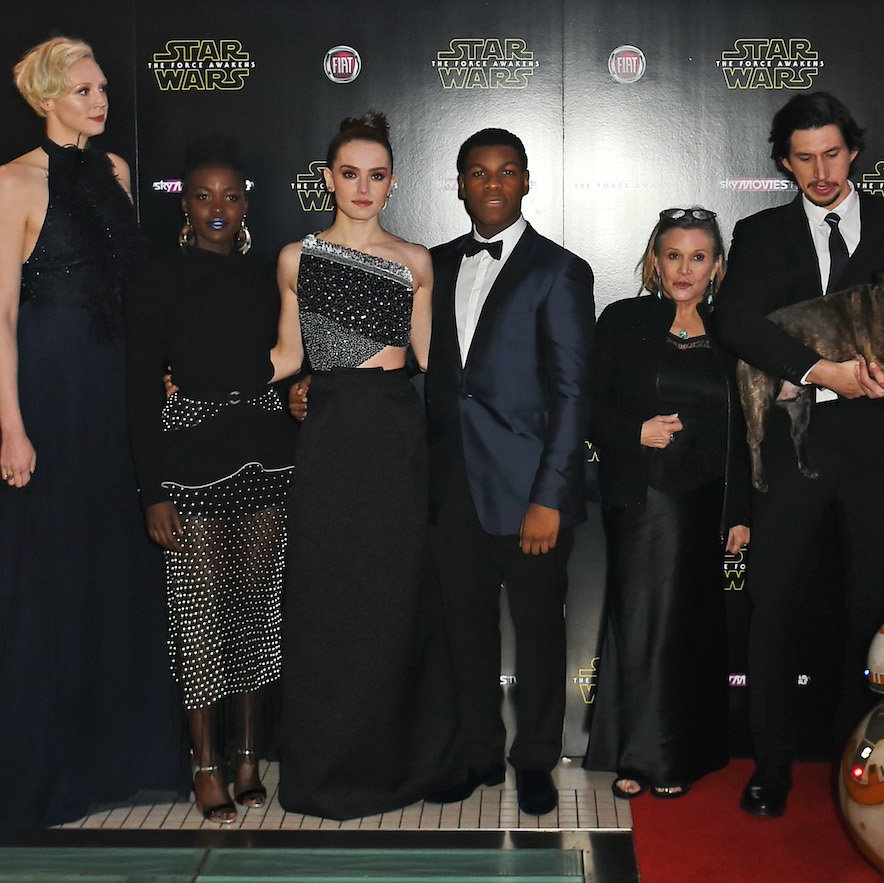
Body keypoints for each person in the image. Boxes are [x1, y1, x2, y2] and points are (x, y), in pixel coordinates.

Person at [0, 36, 185, 831]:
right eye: (84, 89)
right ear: (46, 98)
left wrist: (153, 370)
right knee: (48, 574)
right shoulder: (10, 183)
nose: (101, 100)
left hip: (113, 391)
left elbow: (132, 293)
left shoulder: (117, 175)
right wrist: (11, 426)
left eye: (102, 87)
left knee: (112, 566)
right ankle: (46, 766)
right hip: (49, 390)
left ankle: (117, 759)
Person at [713, 91, 884, 818]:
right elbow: (740, 323)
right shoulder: (761, 233)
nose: (820, 171)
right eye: (804, 158)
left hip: (879, 444)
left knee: (873, 608)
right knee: (771, 606)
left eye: (832, 153)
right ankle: (770, 765)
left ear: (855, 151)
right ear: (784, 162)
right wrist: (821, 372)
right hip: (791, 440)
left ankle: (860, 762)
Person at [271, 111, 460, 820]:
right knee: (327, 604)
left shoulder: (414, 261)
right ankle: (322, 773)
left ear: (392, 182)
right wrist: (203, 377)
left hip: (394, 438)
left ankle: (389, 766)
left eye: (376, 175)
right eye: (349, 173)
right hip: (329, 439)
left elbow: (433, 365)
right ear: (328, 178)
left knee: (389, 600)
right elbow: (288, 357)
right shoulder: (296, 258)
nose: (362, 187)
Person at [423, 128, 595, 816]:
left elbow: (574, 392)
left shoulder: (559, 269)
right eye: (477, 173)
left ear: (526, 183)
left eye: (506, 173)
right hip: (452, 485)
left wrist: (550, 496)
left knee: (539, 631)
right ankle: (477, 754)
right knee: (463, 629)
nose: (491, 185)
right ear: (460, 184)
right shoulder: (431, 265)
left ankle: (535, 762)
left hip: (531, 492)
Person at [125, 137, 296, 823]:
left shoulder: (270, 276)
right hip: (191, 469)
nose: (217, 208)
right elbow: (140, 392)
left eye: (230, 196)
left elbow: (294, 359)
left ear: (246, 203)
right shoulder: (155, 279)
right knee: (200, 623)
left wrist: (303, 390)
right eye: (203, 196)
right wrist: (154, 491)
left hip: (267, 460)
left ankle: (251, 757)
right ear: (185, 205)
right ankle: (205, 764)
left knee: (256, 618)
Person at [583, 208, 749, 800]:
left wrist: (738, 512)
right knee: (642, 624)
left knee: (691, 629)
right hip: (640, 498)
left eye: (698, 257)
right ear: (655, 261)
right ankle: (640, 755)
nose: (685, 269)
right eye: (673, 256)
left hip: (703, 504)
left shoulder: (733, 331)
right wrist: (635, 431)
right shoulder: (624, 320)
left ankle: (685, 751)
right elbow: (586, 404)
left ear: (717, 266)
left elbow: (746, 432)